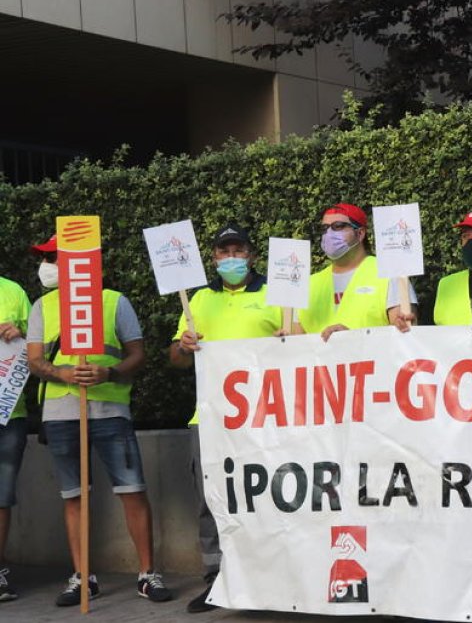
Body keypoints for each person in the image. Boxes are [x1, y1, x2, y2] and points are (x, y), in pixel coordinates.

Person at [24, 234, 172, 606]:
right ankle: (82, 578)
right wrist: (63, 374)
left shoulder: (113, 301)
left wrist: (110, 375)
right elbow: (35, 360)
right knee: (73, 497)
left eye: (55, 258)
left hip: (110, 411)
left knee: (132, 490)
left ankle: (147, 574)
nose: (49, 266)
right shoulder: (43, 305)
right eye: (48, 259)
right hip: (61, 414)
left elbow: (137, 354)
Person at [168, 224, 282, 613]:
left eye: (238, 249)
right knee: (211, 500)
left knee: (268, 495)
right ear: (213, 257)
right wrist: (183, 347)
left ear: (251, 254)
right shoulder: (197, 300)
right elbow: (176, 360)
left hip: (266, 415)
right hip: (210, 416)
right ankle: (217, 579)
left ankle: (272, 579)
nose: (230, 256)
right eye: (223, 251)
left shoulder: (276, 293)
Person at [298, 203, 419, 339]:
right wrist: (279, 342)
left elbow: (404, 338)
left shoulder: (390, 275)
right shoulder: (308, 284)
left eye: (338, 226)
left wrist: (355, 339)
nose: (329, 233)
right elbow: (296, 346)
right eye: (324, 228)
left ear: (360, 233)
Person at [0, 274, 30, 602]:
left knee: (1, 496)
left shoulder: (14, 290)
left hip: (9, 412)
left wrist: (20, 333)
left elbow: (35, 343)